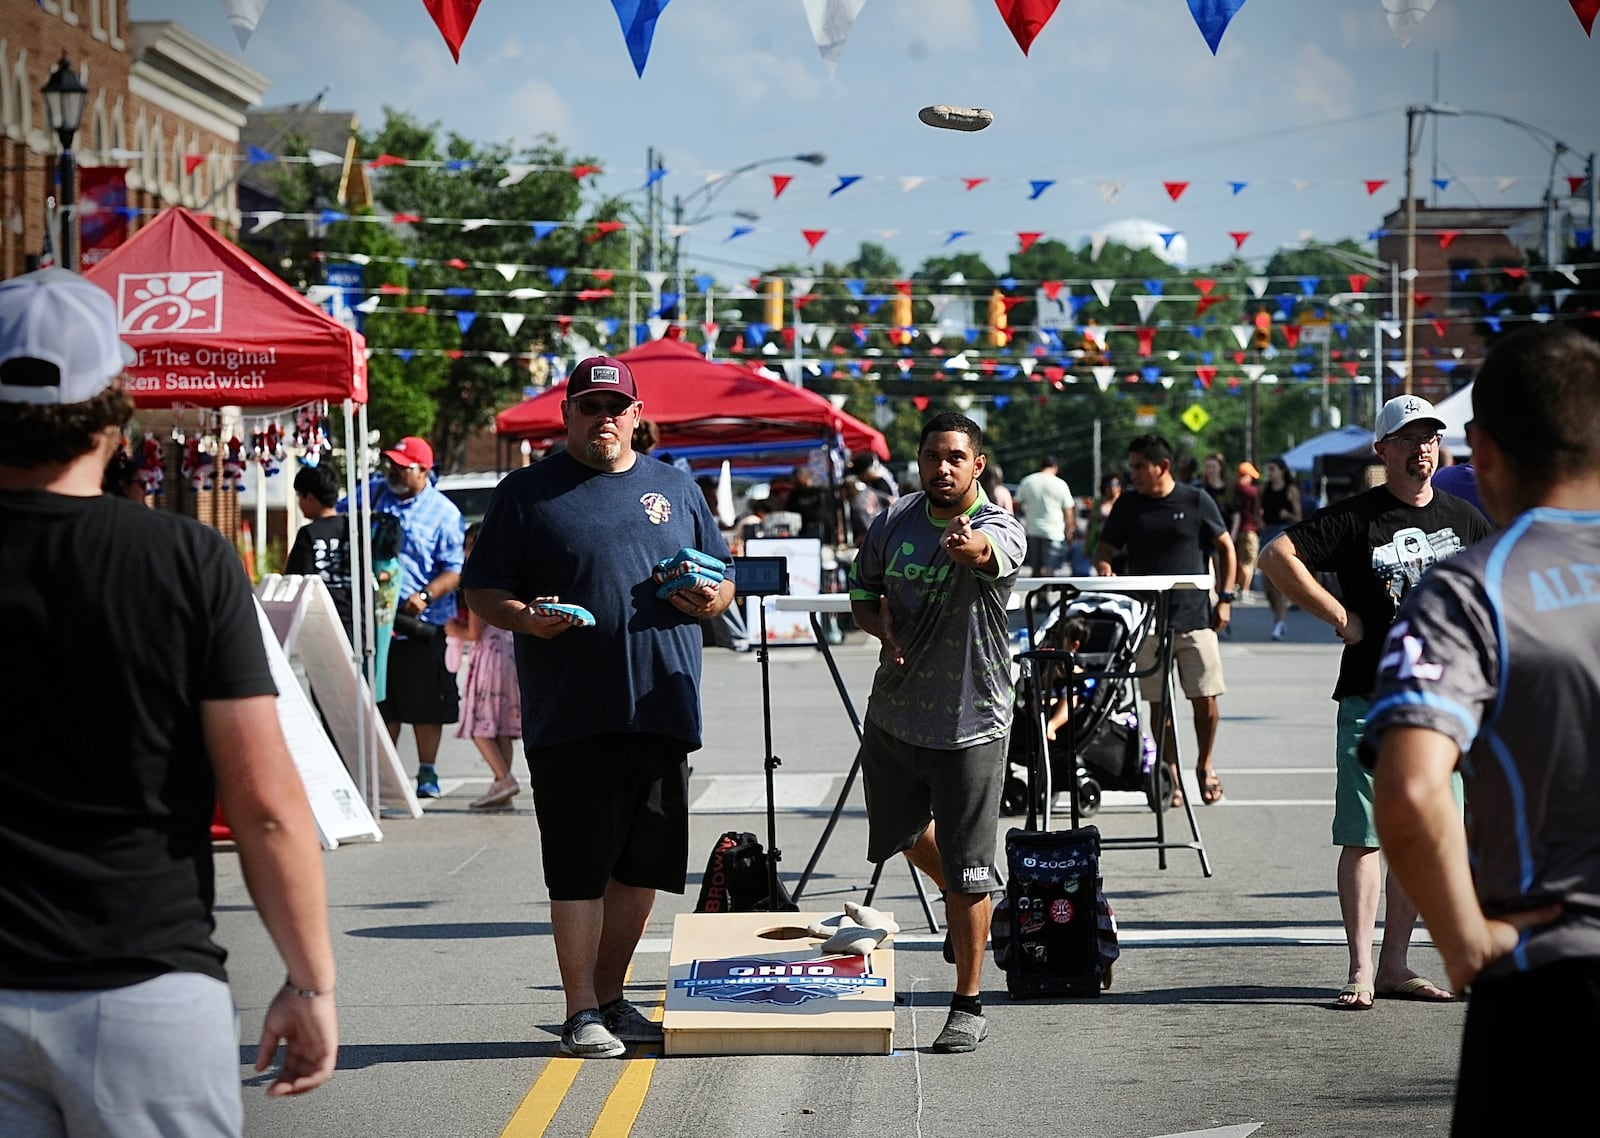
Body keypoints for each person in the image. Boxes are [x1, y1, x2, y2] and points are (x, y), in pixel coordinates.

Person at [0, 268, 338, 1129]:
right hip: (142, 978)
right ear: (116, 411)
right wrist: (309, 981)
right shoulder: (183, 560)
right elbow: (264, 804)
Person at [461, 355, 735, 1060]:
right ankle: (579, 1009)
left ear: (638, 417)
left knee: (642, 869)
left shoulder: (676, 487)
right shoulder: (526, 493)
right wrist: (525, 617)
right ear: (567, 415)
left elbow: (723, 578)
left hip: (662, 705)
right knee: (580, 869)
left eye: (616, 407)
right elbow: (483, 588)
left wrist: (713, 598)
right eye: (589, 407)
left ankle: (611, 998)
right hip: (571, 711)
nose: (603, 419)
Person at [1365, 325, 1600, 1134]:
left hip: (1554, 979)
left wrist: (1465, 946)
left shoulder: (1470, 588)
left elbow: (1407, 790)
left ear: (1481, 451)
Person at [1257, 393, 1490, 1010]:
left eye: (1431, 438)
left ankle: (1395, 966)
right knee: (1364, 837)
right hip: (1372, 694)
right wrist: (1339, 614)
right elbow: (1277, 555)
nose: (1423, 449)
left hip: (1445, 706)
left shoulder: (1465, 519)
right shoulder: (1357, 517)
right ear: (1382, 450)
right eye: (1410, 439)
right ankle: (1360, 968)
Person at [848, 411, 1027, 1053]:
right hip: (895, 714)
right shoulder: (893, 520)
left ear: (977, 464)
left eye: (956, 457)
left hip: (971, 720)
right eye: (932, 457)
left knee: (969, 867)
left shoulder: (996, 525)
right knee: (902, 836)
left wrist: (966, 547)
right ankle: (964, 898)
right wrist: (879, 627)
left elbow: (994, 555)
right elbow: (863, 592)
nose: (942, 467)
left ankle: (969, 1001)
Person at [1093, 434, 1236, 807]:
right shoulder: (1128, 505)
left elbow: (1225, 547)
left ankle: (1205, 765)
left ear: (1163, 466)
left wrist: (1226, 598)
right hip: (1146, 620)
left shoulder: (1195, 500)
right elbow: (1104, 549)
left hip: (1194, 617)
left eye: (1140, 466)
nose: (1134, 473)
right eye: (1132, 466)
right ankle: (1169, 773)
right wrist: (1105, 567)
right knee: (1158, 704)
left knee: (1204, 698)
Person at [349, 435, 465, 799]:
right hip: (377, 620)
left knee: (426, 703)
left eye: (402, 467)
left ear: (424, 471)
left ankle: (427, 771)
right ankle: (385, 772)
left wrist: (426, 595)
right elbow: (338, 517)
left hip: (421, 623)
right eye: (390, 465)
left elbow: (455, 569)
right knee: (384, 701)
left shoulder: (444, 513)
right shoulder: (373, 492)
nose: (392, 472)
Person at [449, 523, 523, 810]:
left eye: (468, 546)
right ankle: (500, 783)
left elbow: (473, 632)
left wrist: (448, 627)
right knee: (501, 725)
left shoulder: (478, 578)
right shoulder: (509, 572)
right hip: (511, 651)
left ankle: (503, 779)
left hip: (490, 655)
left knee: (480, 724)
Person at [287, 461, 355, 642]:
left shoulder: (308, 534)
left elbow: (294, 580)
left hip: (320, 621)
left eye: (300, 497)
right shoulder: (353, 530)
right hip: (355, 618)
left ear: (310, 498)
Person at [1259, 457, 1303, 640]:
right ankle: (1277, 617)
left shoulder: (1290, 490)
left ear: (1282, 471)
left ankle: (1280, 622)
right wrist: (1259, 521)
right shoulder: (1264, 489)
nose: (1270, 473)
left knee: (1276, 581)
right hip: (1267, 532)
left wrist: (1288, 515)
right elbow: (1257, 511)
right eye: (1268, 469)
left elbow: (1299, 517)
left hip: (1282, 533)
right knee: (1266, 583)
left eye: (1273, 469)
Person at [1014, 453, 1075, 576]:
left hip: (1033, 530)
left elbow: (1017, 504)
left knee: (1035, 568)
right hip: (1054, 532)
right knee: (1050, 568)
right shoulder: (1061, 484)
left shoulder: (1028, 481)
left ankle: (1037, 594)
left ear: (1041, 466)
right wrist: (1069, 531)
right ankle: (1046, 592)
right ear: (1055, 467)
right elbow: (1068, 511)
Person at [784, 463, 844, 545]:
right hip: (805, 533)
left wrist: (841, 530)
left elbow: (838, 510)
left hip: (828, 531)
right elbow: (788, 513)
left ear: (804, 477)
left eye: (797, 479)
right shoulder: (794, 495)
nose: (795, 483)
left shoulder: (822, 491)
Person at [1234, 461, 1262, 600]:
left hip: (1238, 530)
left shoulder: (1232, 489)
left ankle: (1239, 587)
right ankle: (1244, 591)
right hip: (1249, 529)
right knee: (1248, 562)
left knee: (1240, 561)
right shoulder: (1250, 491)